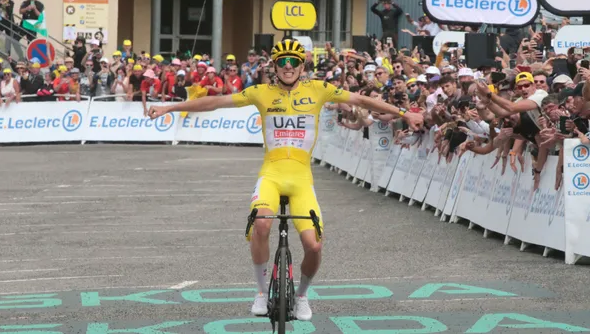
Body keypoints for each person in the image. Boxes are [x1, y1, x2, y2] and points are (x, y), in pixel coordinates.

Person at [147, 39, 423, 321]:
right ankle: (260, 291)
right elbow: (215, 102)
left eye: (293, 62)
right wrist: (170, 108)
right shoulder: (260, 93)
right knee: (262, 223)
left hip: (302, 178)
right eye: (282, 62)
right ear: (275, 66)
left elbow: (362, 100)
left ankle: (302, 295)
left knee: (314, 245)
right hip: (272, 174)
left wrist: (405, 113)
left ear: (302, 66)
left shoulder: (319, 89)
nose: (288, 67)